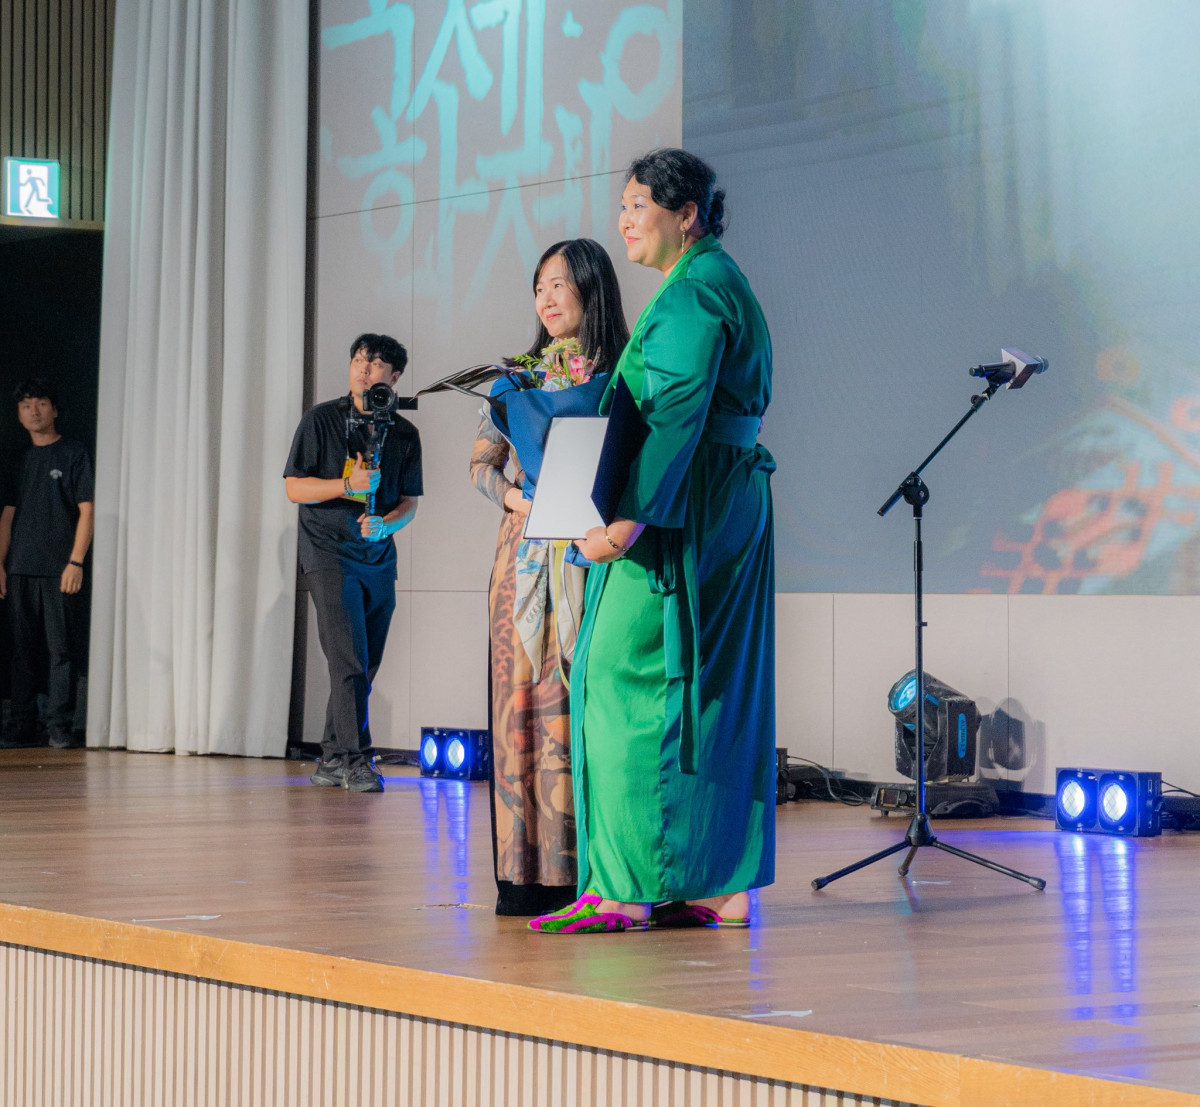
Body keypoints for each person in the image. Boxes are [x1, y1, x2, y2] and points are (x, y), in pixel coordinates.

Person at [530, 149, 776, 934]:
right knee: (705, 689)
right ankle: (718, 881)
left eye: (639, 205)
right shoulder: (714, 280)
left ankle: (627, 885)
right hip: (717, 499)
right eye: (624, 205)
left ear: (686, 214)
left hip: (680, 508)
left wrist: (623, 523)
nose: (625, 219)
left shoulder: (696, 291)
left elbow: (672, 415)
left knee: (619, 674)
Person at [470, 238, 630, 916]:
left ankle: (595, 868)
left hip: (595, 551)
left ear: (592, 288)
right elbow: (480, 466)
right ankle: (527, 874)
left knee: (583, 702)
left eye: (560, 283)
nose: (547, 298)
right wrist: (520, 500)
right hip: (526, 555)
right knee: (524, 704)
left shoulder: (623, 374)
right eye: (539, 286)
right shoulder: (515, 382)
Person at [284, 334, 422, 792]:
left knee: (364, 664)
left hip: (377, 557)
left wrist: (386, 525)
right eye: (359, 359)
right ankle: (357, 760)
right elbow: (294, 488)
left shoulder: (405, 433)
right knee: (348, 660)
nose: (364, 369)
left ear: (394, 377)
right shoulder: (321, 420)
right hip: (327, 552)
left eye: (376, 363)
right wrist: (345, 485)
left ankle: (330, 757)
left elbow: (409, 503)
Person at [0, 379, 94, 749]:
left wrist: (76, 561)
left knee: (61, 650)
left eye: (40, 403)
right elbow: (7, 516)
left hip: (59, 568)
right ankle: (21, 724)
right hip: (20, 567)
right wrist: (0, 563)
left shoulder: (73, 453)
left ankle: (59, 725)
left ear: (54, 409)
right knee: (21, 650)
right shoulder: (17, 459)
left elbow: (87, 510)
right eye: (26, 405)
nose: (34, 411)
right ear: (18, 415)